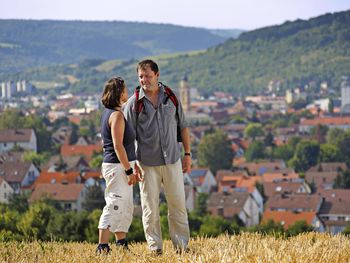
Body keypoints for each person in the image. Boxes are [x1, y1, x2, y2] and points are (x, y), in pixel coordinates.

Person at [124, 59, 191, 255]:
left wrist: (187, 153)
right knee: (150, 208)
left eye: (148, 76)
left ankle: (182, 246)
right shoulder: (133, 103)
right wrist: (132, 162)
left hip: (172, 160)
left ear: (157, 75)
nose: (144, 80)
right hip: (146, 164)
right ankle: (155, 248)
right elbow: (128, 138)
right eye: (141, 76)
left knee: (178, 204)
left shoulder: (171, 97)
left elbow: (183, 127)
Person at [97, 77, 141, 253]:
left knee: (125, 205)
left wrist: (133, 163)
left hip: (120, 164)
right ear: (118, 93)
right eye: (124, 89)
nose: (127, 92)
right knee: (115, 204)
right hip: (117, 166)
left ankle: (121, 243)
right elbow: (117, 146)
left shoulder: (112, 113)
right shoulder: (116, 115)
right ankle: (102, 246)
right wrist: (129, 170)